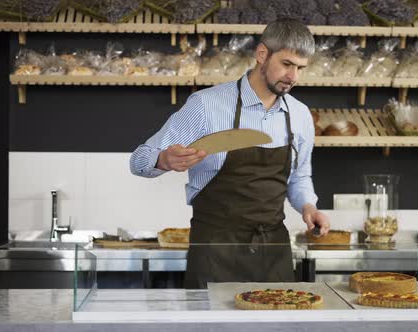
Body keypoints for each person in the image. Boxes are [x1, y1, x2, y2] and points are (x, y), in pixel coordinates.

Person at [130, 18, 330, 289]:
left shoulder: (300, 115)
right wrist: (163, 159)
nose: (293, 77)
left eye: (300, 68)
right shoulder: (206, 105)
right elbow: (139, 160)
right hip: (215, 251)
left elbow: (299, 177)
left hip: (273, 252)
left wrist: (308, 206)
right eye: (286, 64)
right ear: (262, 55)